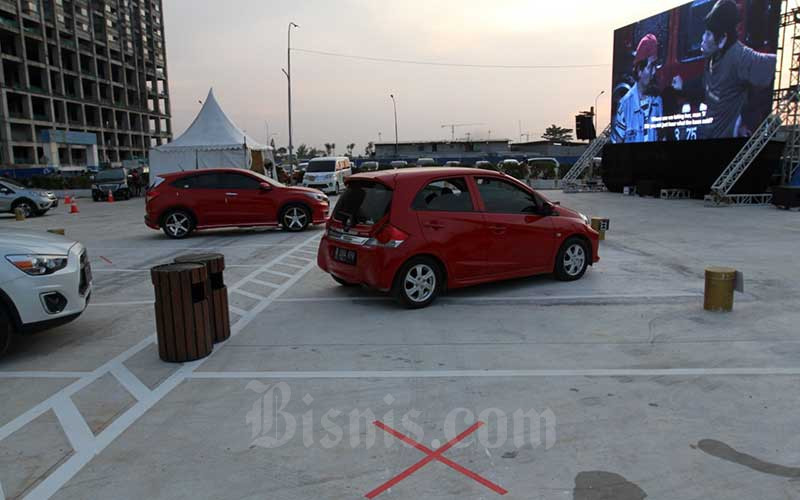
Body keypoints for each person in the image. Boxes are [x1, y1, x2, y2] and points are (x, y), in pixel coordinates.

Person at [697, 0, 777, 138]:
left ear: (722, 39)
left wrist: (746, 119)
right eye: (705, 33)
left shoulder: (740, 57)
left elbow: (778, 64)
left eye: (709, 34)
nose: (703, 39)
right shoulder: (712, 57)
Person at [611, 34, 664, 143]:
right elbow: (618, 142)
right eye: (651, 67)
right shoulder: (625, 105)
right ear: (639, 70)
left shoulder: (658, 102)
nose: (654, 72)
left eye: (656, 66)